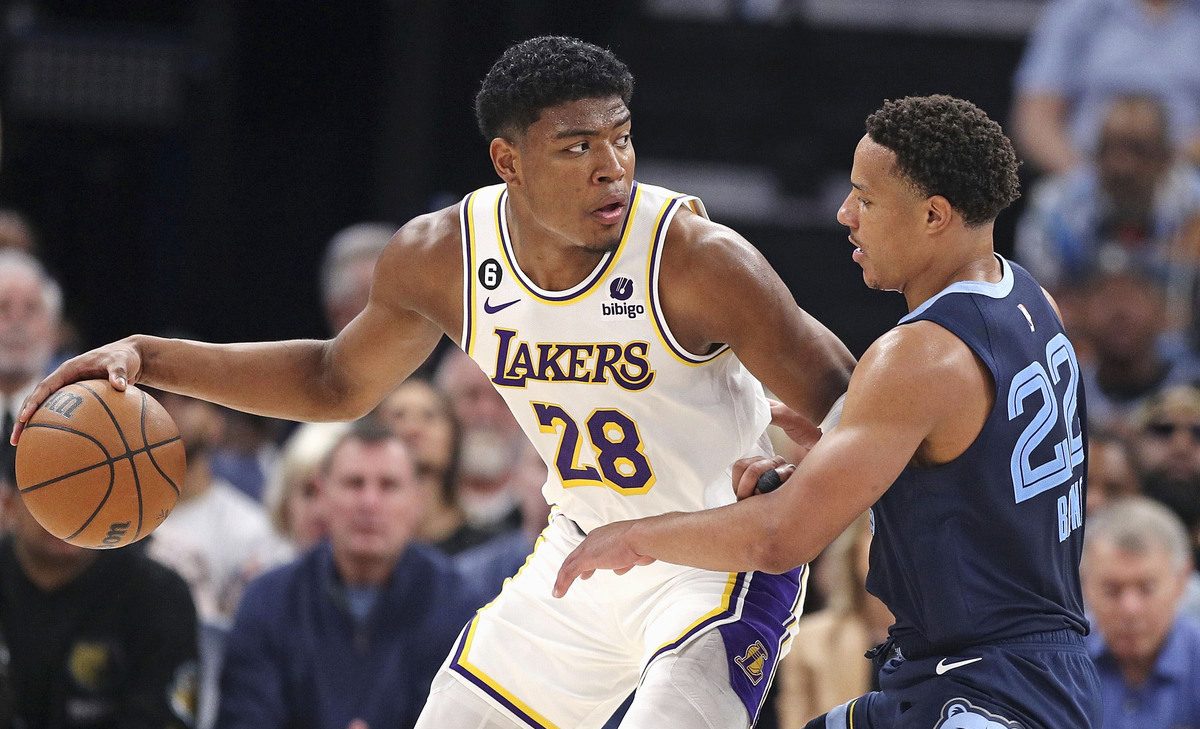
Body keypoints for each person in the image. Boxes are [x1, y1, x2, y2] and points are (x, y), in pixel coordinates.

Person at [11, 36, 854, 729]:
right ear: (508, 161)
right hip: (584, 550)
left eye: (622, 136)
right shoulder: (441, 257)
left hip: (719, 560)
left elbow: (851, 399)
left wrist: (800, 478)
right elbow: (334, 380)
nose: (612, 166)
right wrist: (151, 357)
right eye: (577, 146)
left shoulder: (696, 261)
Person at [555, 95, 1101, 728]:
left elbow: (778, 539)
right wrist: (857, 473)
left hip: (992, 692)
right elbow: (990, 480)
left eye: (866, 199)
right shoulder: (1028, 298)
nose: (845, 215)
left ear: (933, 214)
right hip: (995, 670)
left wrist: (634, 535)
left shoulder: (920, 354)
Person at [216, 420, 484, 729]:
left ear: (417, 500)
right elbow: (243, 718)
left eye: (388, 486)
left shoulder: (461, 605)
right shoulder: (268, 600)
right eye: (354, 484)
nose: (369, 503)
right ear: (322, 493)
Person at [0, 476, 199, 729]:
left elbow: (164, 718)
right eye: (49, 491)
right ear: (9, 503)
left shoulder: (160, 594)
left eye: (87, 492)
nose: (69, 511)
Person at [1014, 95, 1200, 325]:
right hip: (1083, 341)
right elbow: (1037, 304)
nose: (1122, 167)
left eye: (1138, 150)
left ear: (1167, 158)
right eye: (1109, 150)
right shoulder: (1056, 208)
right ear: (1094, 154)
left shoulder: (1194, 208)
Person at [1011, 0, 1200, 174]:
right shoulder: (1076, 10)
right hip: (1081, 174)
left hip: (1185, 177)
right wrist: (1084, 178)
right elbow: (1034, 120)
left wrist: (1168, 173)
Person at [1082, 497, 1200, 728]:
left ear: (1181, 580)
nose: (1130, 609)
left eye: (1146, 588)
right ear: (1084, 585)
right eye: (1112, 590)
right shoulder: (1059, 665)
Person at [774, 513, 892, 729]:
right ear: (853, 548)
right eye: (878, 534)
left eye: (902, 539)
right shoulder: (807, 641)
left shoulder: (953, 645)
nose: (891, 551)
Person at [374, 376, 496, 554]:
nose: (413, 429)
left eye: (429, 416)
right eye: (398, 416)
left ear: (453, 437)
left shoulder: (489, 552)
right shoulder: (358, 550)